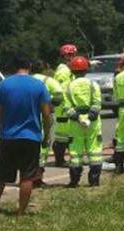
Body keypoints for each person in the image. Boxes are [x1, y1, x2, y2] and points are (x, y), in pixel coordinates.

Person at [0, 58, 54, 215]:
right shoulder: (39, 85)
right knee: (27, 176)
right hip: (31, 137)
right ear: (30, 67)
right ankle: (20, 212)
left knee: (0, 176)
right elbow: (46, 115)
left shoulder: (4, 84)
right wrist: (46, 136)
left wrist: (3, 130)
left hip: (8, 137)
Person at [63, 55, 103, 187]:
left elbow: (67, 107)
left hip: (76, 123)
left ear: (72, 71)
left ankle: (74, 181)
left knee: (75, 152)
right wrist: (89, 119)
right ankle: (94, 180)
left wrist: (79, 119)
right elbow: (97, 104)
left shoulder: (68, 87)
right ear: (86, 70)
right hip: (93, 122)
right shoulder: (93, 85)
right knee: (95, 151)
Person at [30, 59, 65, 186]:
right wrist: (51, 106)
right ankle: (37, 178)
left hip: (28, 114)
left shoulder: (27, 79)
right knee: (43, 145)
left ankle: (27, 176)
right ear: (45, 68)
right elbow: (59, 95)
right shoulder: (48, 80)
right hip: (44, 115)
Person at [50, 43, 77, 167]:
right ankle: (59, 160)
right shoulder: (63, 71)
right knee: (62, 135)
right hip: (63, 107)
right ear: (64, 56)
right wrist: (69, 106)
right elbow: (63, 91)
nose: (73, 57)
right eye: (70, 55)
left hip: (65, 106)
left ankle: (61, 159)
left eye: (74, 54)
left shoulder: (68, 70)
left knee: (65, 134)